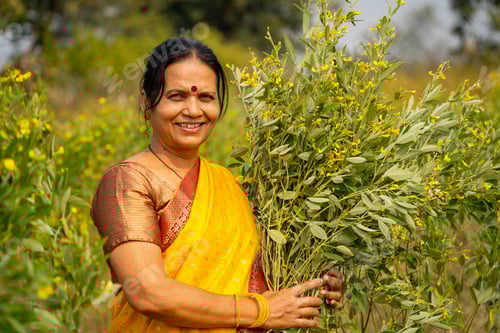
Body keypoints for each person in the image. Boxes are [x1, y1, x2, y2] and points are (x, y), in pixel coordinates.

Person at [90, 37, 344, 332]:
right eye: (177, 96)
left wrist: (317, 284)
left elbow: (261, 276)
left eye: (206, 98)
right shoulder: (127, 181)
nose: (194, 110)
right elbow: (148, 293)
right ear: (148, 103)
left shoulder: (231, 184)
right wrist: (261, 310)